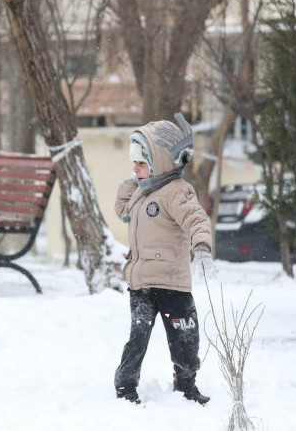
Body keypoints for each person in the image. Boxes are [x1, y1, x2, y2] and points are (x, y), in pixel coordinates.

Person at [113, 113, 216, 406]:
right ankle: (125, 384)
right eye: (134, 163)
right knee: (138, 336)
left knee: (185, 338)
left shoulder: (176, 192)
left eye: (141, 163)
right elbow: (122, 210)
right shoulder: (140, 193)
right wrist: (132, 181)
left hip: (173, 283)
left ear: (160, 163)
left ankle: (186, 384)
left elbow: (196, 218)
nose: (135, 168)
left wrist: (202, 247)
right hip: (142, 283)